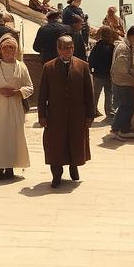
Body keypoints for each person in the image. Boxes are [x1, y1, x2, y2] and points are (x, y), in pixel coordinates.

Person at [37, 34, 95, 187]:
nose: (68, 51)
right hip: (56, 115)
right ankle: (57, 174)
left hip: (77, 115)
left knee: (75, 142)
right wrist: (42, 115)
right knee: (55, 145)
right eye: (64, 48)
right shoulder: (49, 67)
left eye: (70, 48)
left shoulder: (82, 66)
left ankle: (74, 166)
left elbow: (89, 93)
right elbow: (42, 94)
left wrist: (90, 114)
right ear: (58, 49)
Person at [0, 34, 33, 180]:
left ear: (16, 50)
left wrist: (18, 92)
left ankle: (10, 166)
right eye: (5, 48)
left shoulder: (21, 67)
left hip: (15, 106)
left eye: (11, 48)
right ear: (0, 50)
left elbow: (30, 87)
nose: (8, 51)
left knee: (13, 136)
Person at [108, 25, 134, 139]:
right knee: (127, 106)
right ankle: (117, 129)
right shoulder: (124, 48)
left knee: (127, 106)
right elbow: (121, 68)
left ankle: (124, 129)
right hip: (123, 82)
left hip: (119, 80)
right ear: (133, 36)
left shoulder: (126, 45)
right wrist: (132, 78)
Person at [88, 26, 115, 118]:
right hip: (105, 74)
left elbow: (91, 59)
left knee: (99, 93)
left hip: (100, 74)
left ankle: (95, 111)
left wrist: (92, 69)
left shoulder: (98, 46)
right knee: (107, 93)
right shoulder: (111, 47)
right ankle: (108, 111)